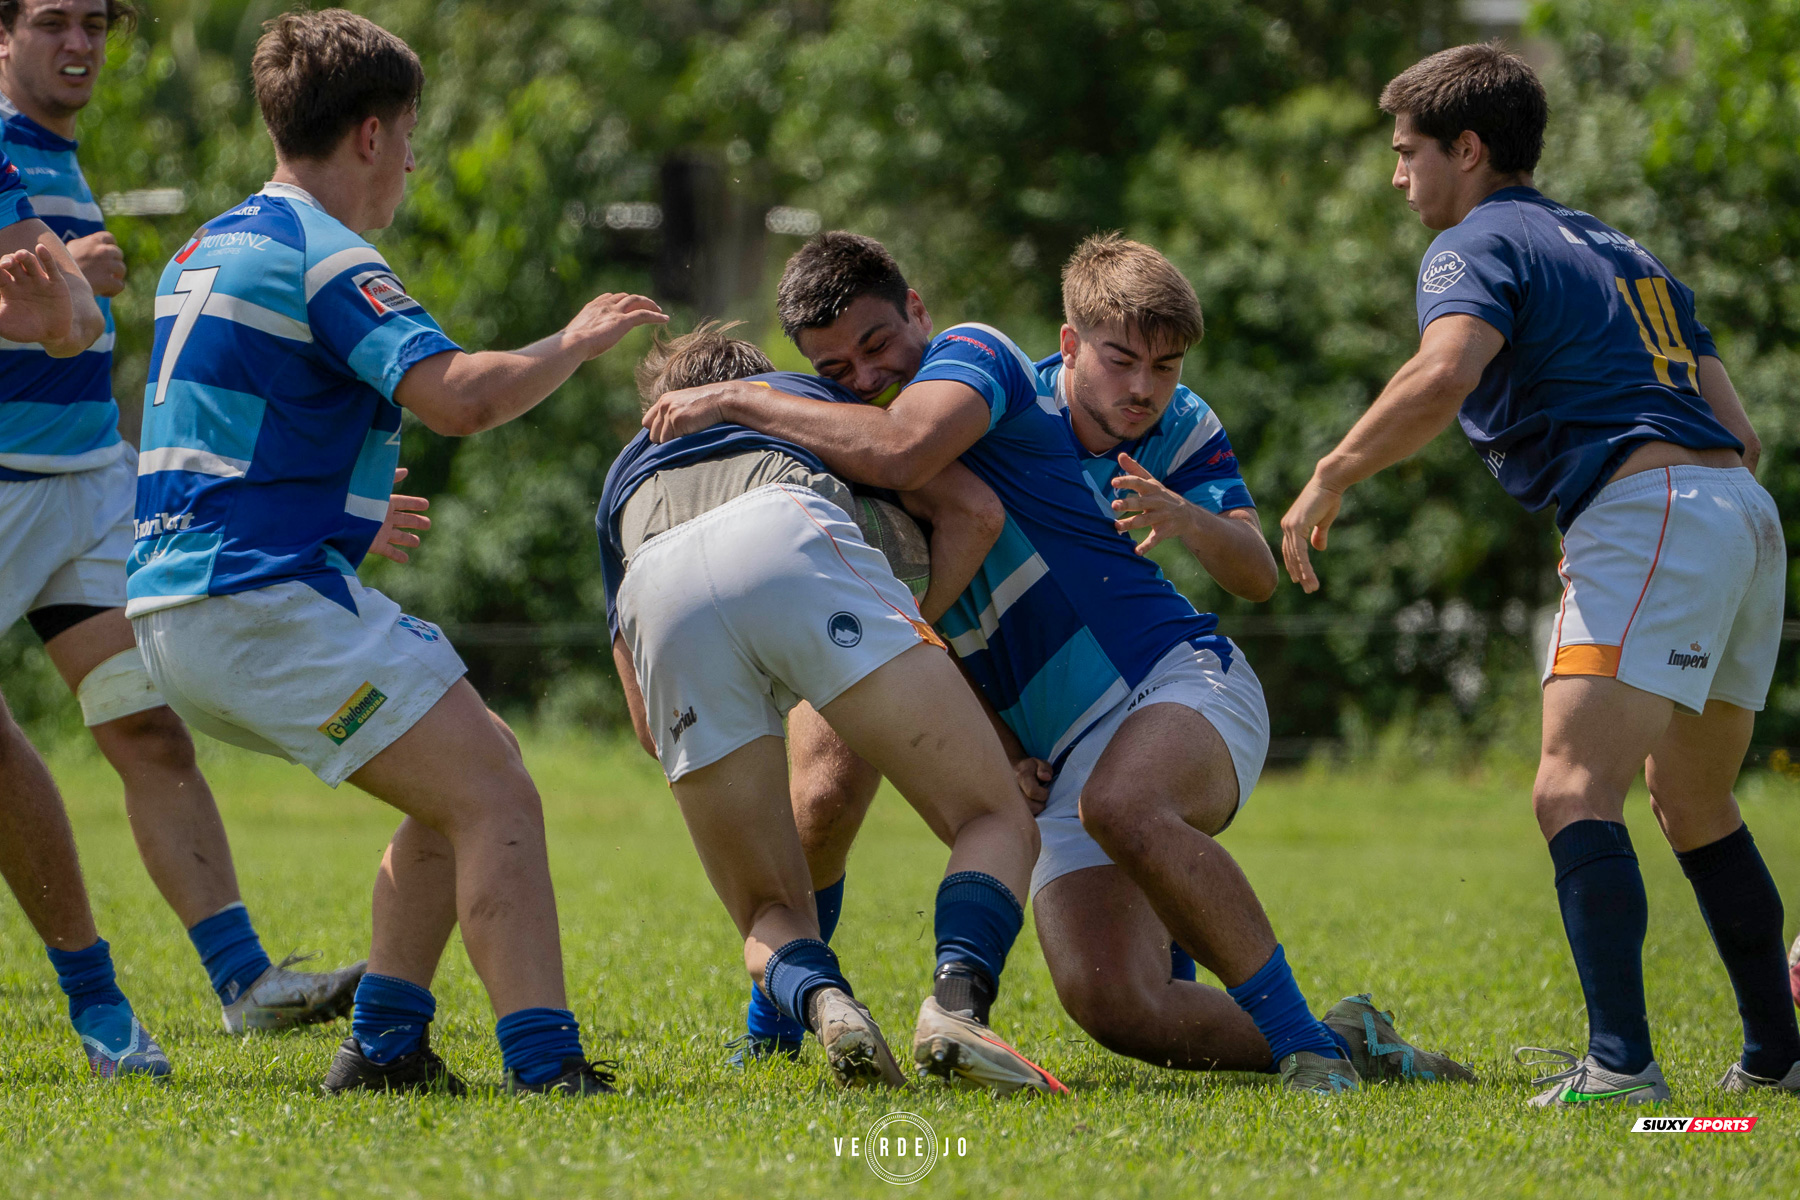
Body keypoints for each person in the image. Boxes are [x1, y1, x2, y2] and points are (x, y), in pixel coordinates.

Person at [646, 232, 1472, 1093]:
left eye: (879, 345)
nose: (861, 373)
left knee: (1126, 802)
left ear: (918, 313)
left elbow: (904, 451)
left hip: (1170, 677)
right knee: (1117, 1004)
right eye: (835, 363)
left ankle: (1304, 1050)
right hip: (1058, 755)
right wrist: (998, 744)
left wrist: (734, 400)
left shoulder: (979, 357)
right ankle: (1351, 1042)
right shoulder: (828, 420)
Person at [129, 8, 666, 1096]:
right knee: (499, 796)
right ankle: (547, 1069)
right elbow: (457, 399)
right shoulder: (328, 256)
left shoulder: (207, 244)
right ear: (372, 134)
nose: (415, 160)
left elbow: (220, 437)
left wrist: (344, 517)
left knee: (461, 776)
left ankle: (384, 1049)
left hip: (177, 607)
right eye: (412, 133)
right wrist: (575, 340)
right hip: (253, 602)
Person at [1280, 44, 1790, 1106]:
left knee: (1571, 785)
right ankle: (1778, 1055)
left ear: (1467, 149)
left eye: (1407, 152)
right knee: (1694, 798)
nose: (1396, 175)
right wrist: (1661, 521)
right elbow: (1737, 433)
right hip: (1741, 517)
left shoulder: (1475, 241)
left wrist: (1332, 471)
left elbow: (1443, 372)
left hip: (1657, 514)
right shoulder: (1629, 252)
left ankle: (1620, 1068)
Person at [0, 0, 368, 1038]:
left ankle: (245, 984)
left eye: (95, 25)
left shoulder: (55, 151)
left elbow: (64, 313)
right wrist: (79, 286)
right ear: (3, 33)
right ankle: (99, 1005)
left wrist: (74, 287)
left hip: (83, 488)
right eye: (51, 23)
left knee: (149, 731)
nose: (79, 46)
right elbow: (68, 323)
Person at [602, 324, 1063, 1094]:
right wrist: (870, 645)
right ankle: (956, 1005)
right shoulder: (801, 402)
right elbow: (973, 512)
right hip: (787, 527)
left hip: (655, 582)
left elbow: (649, 730)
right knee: (993, 818)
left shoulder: (623, 476)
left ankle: (825, 1004)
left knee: (766, 908)